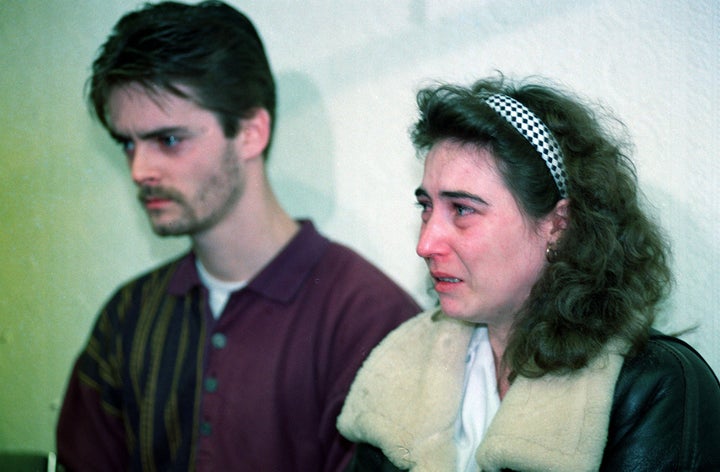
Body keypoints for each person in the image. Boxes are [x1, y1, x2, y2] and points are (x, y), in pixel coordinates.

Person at [56, 2, 419, 471]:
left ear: (250, 132)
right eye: (128, 142)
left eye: (168, 140)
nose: (140, 170)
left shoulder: (368, 318)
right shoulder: (128, 317)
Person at [337, 76, 720, 471]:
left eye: (462, 210)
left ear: (558, 224)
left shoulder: (651, 389)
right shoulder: (403, 366)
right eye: (427, 208)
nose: (426, 244)